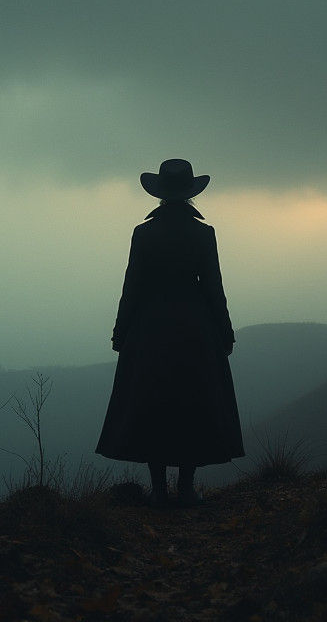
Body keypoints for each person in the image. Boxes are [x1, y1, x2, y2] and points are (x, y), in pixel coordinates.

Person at [96, 159, 244, 505]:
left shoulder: (143, 234)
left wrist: (121, 332)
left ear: (160, 194)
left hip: (149, 329)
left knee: (153, 406)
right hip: (195, 329)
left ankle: (159, 490)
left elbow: (131, 287)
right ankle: (187, 488)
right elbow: (213, 288)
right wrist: (225, 332)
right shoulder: (203, 234)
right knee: (192, 405)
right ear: (191, 194)